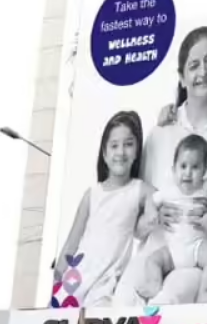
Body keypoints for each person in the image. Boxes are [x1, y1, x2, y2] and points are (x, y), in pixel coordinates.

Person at [111, 26, 207, 305]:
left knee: (169, 298)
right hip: (159, 252)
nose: (203, 72)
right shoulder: (162, 133)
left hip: (205, 257)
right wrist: (153, 218)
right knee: (123, 300)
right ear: (182, 77)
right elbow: (137, 225)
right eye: (193, 65)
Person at [54, 111, 153, 307]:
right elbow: (70, 246)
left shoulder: (138, 189)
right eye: (114, 145)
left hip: (106, 284)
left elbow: (162, 200)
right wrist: (56, 286)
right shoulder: (92, 194)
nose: (121, 152)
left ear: (137, 150)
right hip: (75, 280)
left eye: (129, 144)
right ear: (105, 153)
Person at [136, 134, 207, 303]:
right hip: (173, 251)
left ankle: (205, 291)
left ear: (204, 170)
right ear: (173, 169)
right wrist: (153, 213)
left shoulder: (206, 190)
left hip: (197, 247)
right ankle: (154, 284)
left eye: (195, 167)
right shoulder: (169, 191)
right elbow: (151, 201)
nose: (188, 173)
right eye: (183, 166)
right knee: (152, 260)